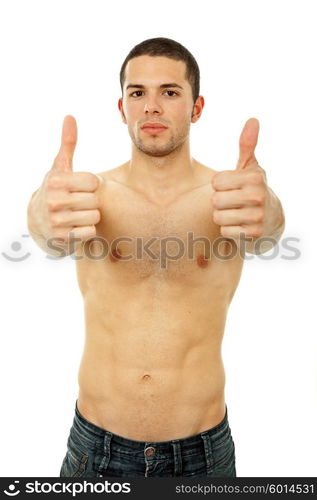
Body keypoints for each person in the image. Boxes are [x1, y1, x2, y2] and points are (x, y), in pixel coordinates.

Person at [27, 37, 285, 478]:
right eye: (137, 93)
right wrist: (40, 213)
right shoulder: (88, 196)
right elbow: (47, 229)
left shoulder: (230, 200)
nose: (151, 106)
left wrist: (272, 213)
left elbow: (266, 232)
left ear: (196, 107)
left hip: (204, 454)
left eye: (169, 92)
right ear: (121, 107)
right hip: (96, 447)